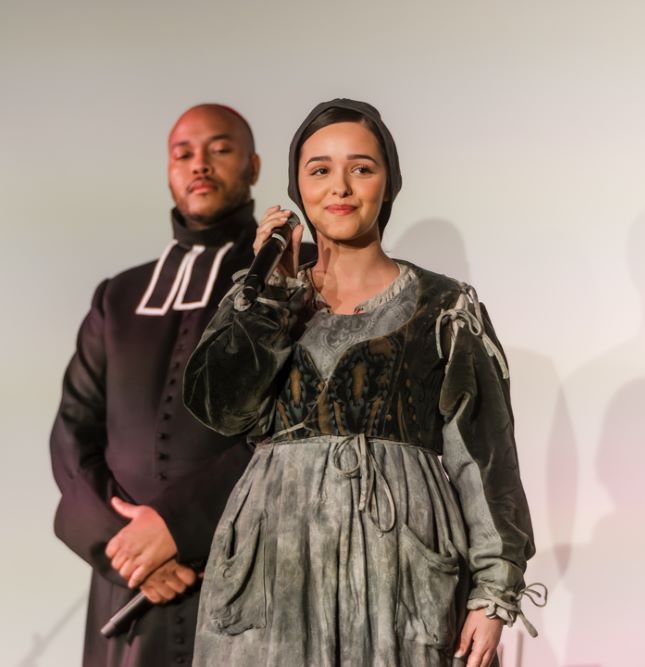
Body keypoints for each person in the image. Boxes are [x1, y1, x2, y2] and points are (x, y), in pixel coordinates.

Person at [183, 99, 542, 667]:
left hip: (400, 574)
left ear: (388, 182)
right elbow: (221, 408)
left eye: (362, 168)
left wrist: (493, 594)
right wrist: (270, 298)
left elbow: (485, 458)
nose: (340, 187)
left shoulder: (444, 308)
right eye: (319, 170)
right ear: (297, 189)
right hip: (274, 570)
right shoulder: (262, 298)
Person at [50, 103, 268, 667]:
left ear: (253, 166)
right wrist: (122, 548)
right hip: (129, 588)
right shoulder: (119, 296)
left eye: (220, 149)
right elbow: (72, 435)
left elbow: (294, 432)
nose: (200, 164)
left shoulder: (287, 277)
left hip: (244, 572)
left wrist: (175, 526)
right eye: (183, 153)